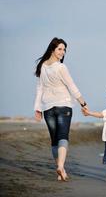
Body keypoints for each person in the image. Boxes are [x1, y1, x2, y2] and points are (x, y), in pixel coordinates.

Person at [34, 37, 88, 181]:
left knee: (54, 140)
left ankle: (61, 170)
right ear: (52, 49)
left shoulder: (42, 66)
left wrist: (37, 108)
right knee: (63, 137)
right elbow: (72, 86)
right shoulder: (61, 67)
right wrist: (83, 102)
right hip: (63, 105)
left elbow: (39, 90)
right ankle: (61, 166)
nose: (62, 52)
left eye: (64, 50)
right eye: (60, 49)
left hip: (47, 108)